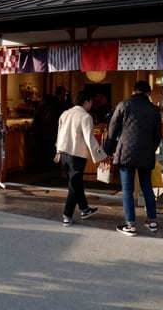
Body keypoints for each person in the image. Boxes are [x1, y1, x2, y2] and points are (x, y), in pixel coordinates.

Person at [107, 80, 161, 236]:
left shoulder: (124, 105)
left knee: (127, 190)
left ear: (133, 91)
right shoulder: (154, 110)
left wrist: (109, 149)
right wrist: (151, 148)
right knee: (147, 188)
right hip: (146, 154)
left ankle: (130, 225)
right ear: (148, 93)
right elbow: (158, 136)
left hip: (126, 154)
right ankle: (152, 222)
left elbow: (113, 128)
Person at [55, 91, 107, 226]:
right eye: (90, 102)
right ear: (86, 102)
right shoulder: (85, 117)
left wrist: (58, 151)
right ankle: (67, 215)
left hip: (64, 154)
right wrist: (101, 155)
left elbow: (60, 134)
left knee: (75, 183)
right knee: (74, 185)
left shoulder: (65, 114)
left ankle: (84, 209)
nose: (91, 105)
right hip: (76, 155)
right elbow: (90, 139)